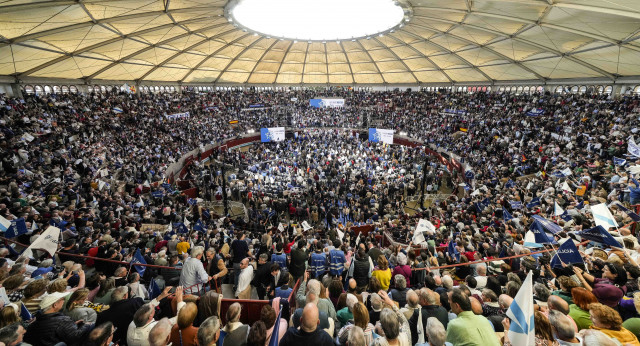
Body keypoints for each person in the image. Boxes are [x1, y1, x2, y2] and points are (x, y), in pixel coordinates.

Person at [24, 291, 93, 346]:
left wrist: (71, 325)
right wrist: (86, 325)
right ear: (55, 305)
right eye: (62, 299)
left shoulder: (36, 319)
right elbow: (75, 337)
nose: (64, 301)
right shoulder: (62, 320)